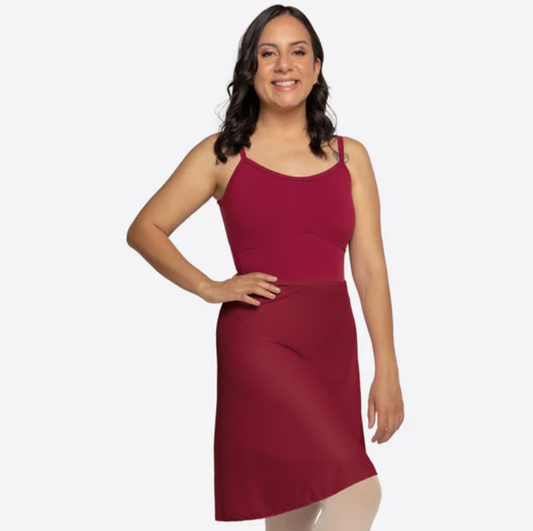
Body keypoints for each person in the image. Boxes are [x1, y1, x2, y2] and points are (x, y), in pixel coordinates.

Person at [127, 5, 404, 530]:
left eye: (298, 52)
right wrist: (209, 286)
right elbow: (146, 228)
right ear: (250, 69)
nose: (284, 65)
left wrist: (386, 366)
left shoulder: (350, 158)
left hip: (332, 345)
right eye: (268, 53)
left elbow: (370, 269)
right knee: (357, 491)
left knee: (296, 504)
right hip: (259, 338)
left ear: (316, 67)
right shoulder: (223, 154)